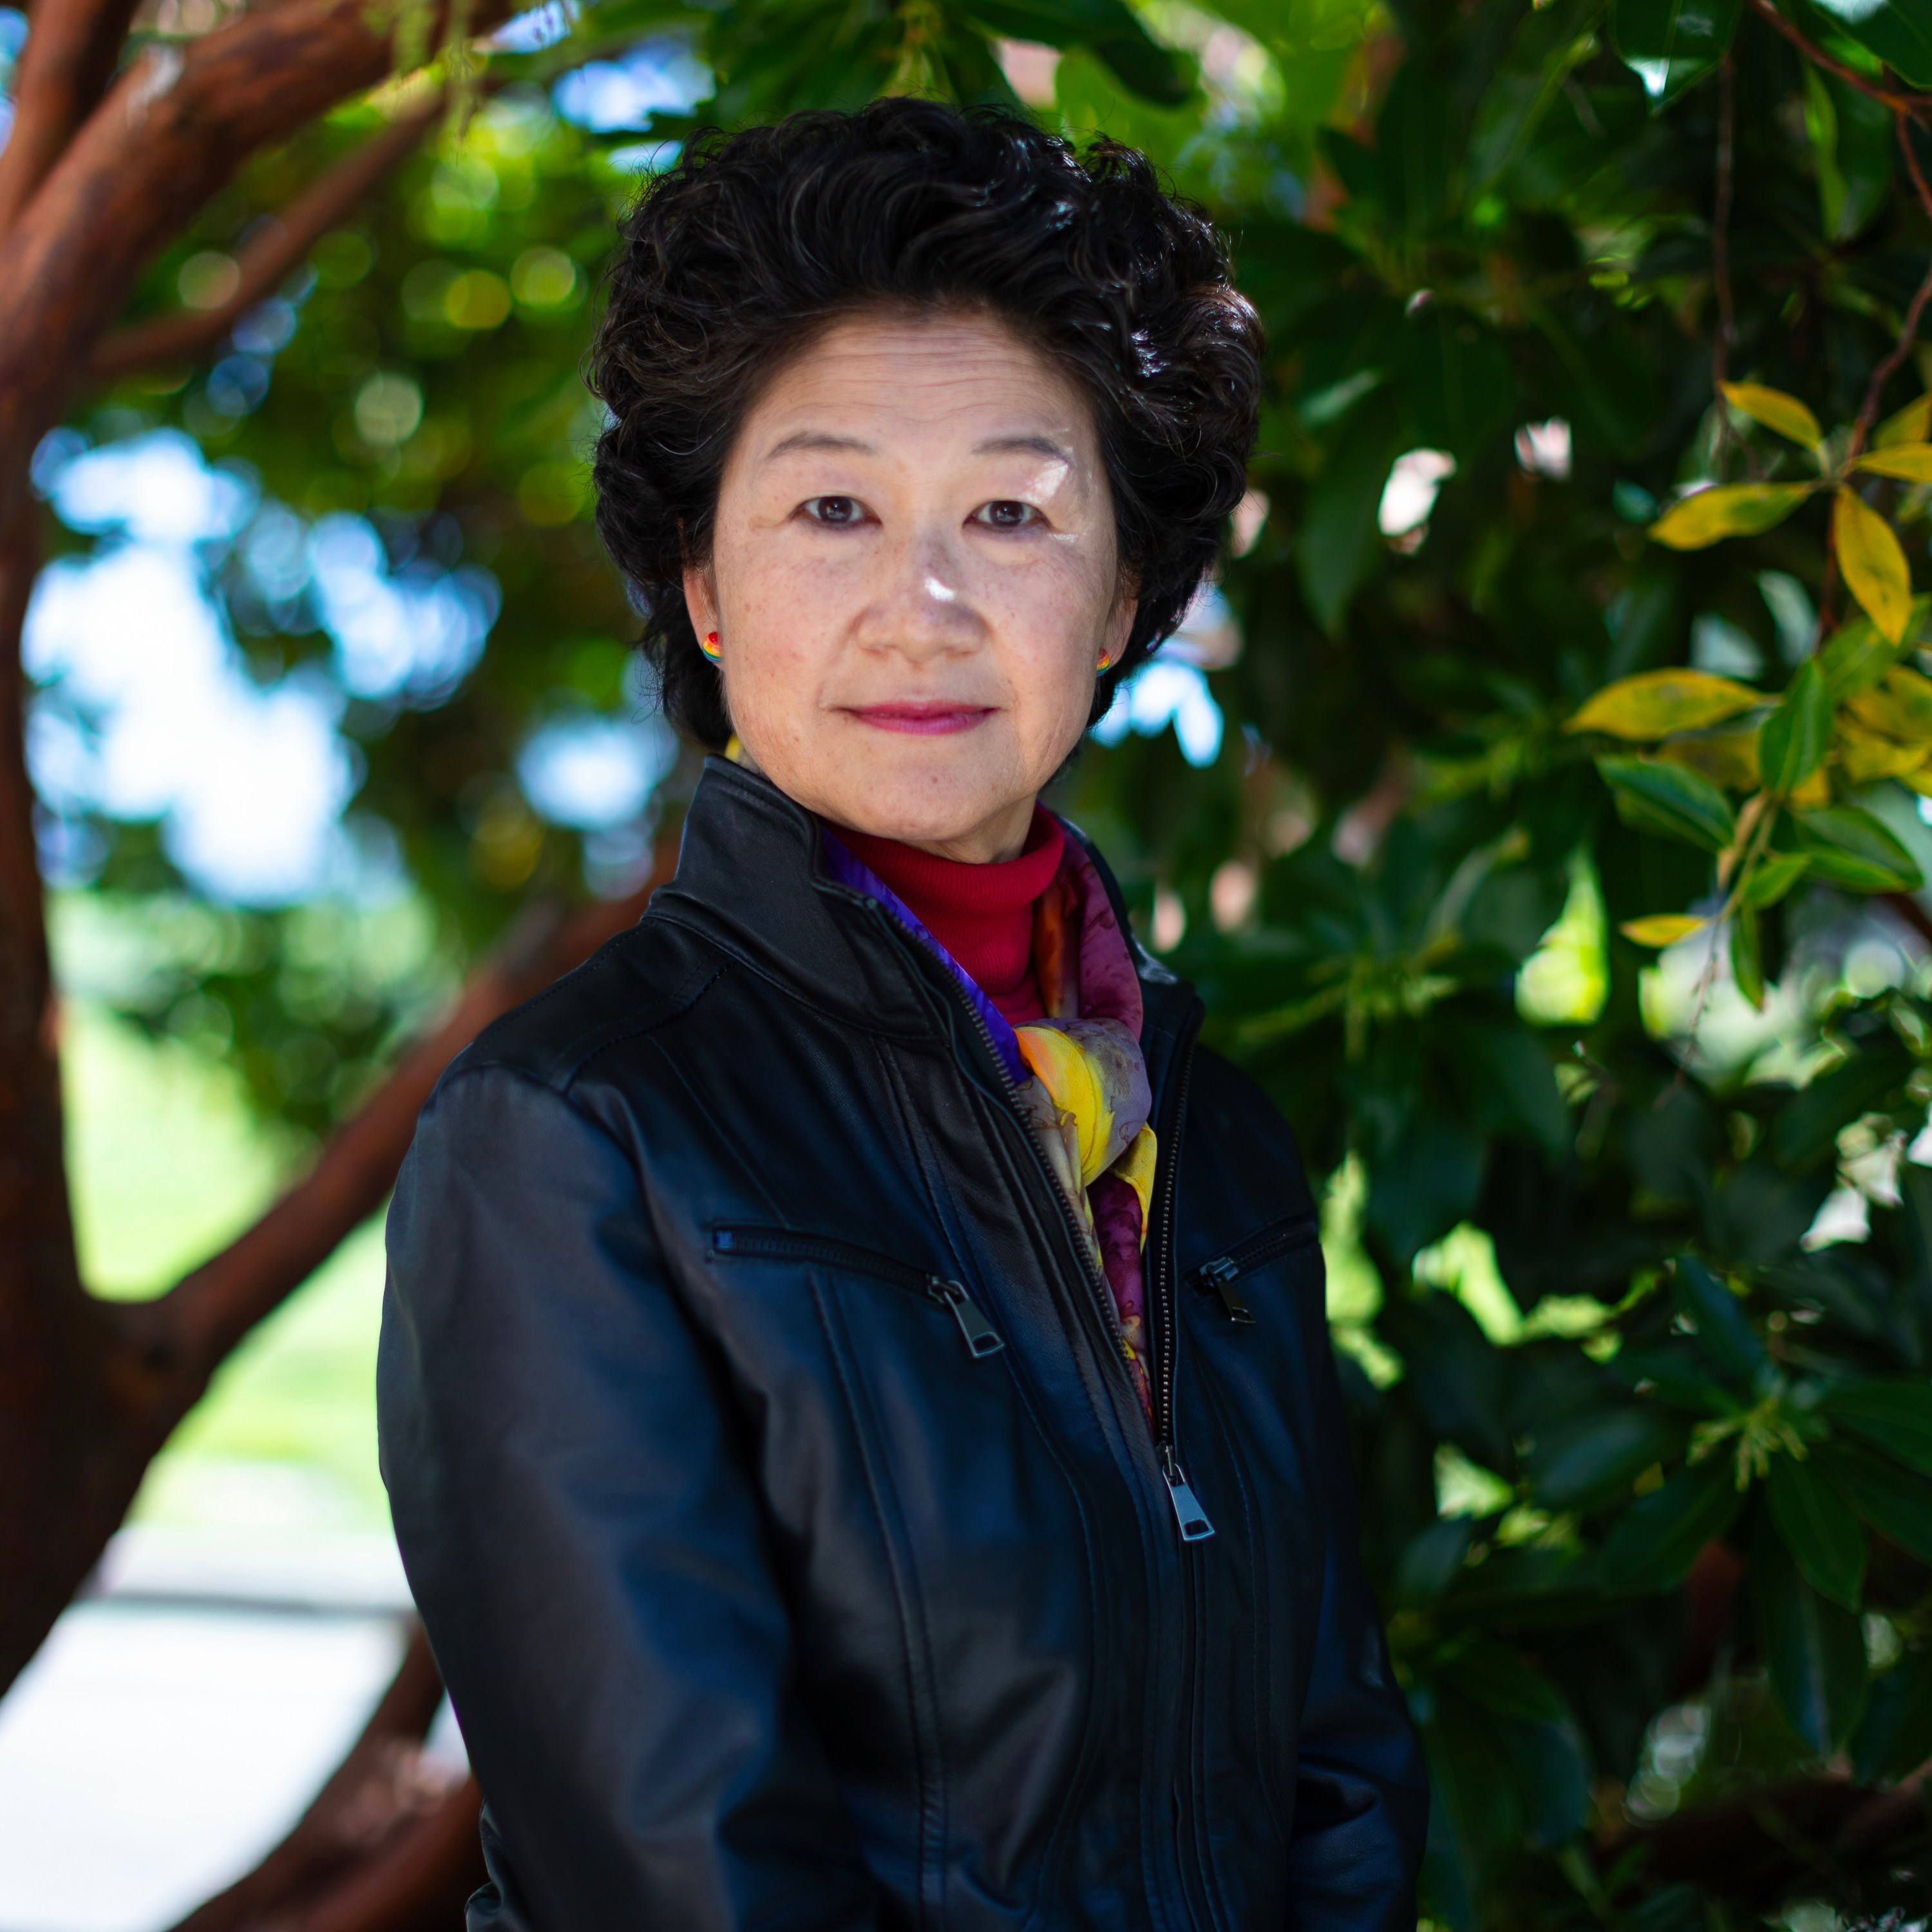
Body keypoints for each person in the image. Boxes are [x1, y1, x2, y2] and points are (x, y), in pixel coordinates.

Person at [379, 97, 1426, 1931]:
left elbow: (1336, 1768)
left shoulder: (1217, 1140)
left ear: (1118, 602)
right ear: (706, 586)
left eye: (1013, 514)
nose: (922, 605)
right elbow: (681, 1874)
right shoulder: (571, 1139)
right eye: (834, 507)